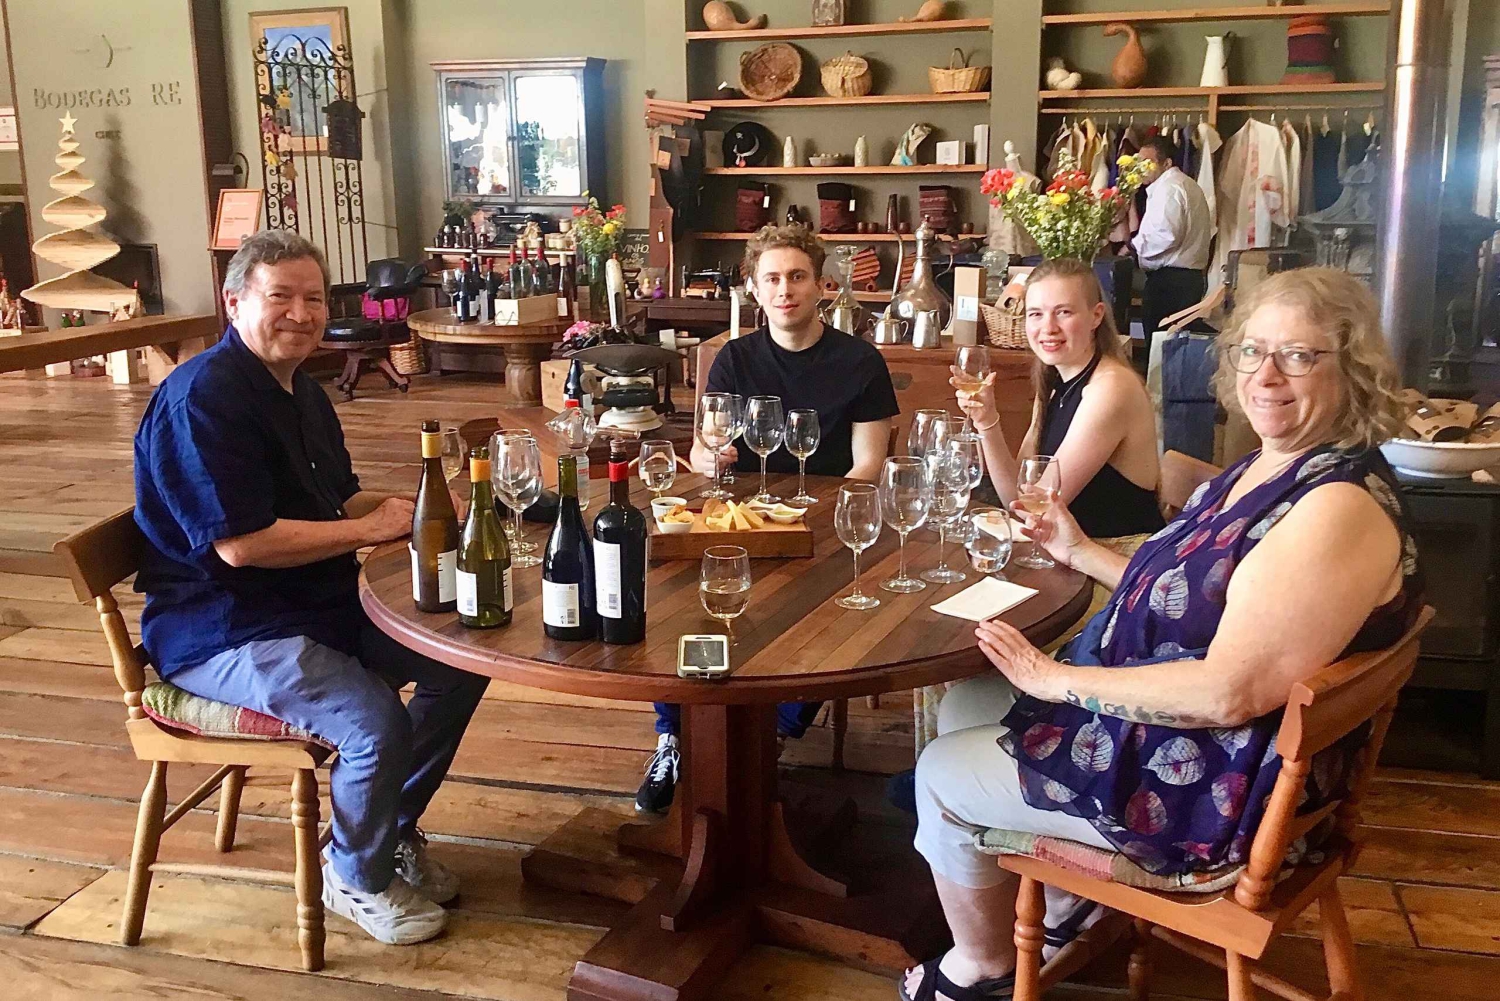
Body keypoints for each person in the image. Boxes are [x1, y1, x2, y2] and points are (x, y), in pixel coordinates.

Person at [899, 268, 1423, 1001]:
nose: (1267, 375)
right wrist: (1081, 550)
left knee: (939, 772)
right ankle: (1063, 909)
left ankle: (982, 966)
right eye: (1253, 351)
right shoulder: (1276, 466)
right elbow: (1187, 595)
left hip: (1211, 789)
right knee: (963, 705)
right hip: (1195, 744)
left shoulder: (1336, 509)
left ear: (1353, 370)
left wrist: (1057, 679)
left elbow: (1228, 691)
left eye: (1299, 356)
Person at [133, 230, 490, 947]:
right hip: (223, 628)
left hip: (311, 603)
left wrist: (421, 507)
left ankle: (388, 830)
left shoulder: (301, 389)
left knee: (461, 663)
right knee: (374, 724)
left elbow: (341, 500)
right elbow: (242, 545)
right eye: (281, 296)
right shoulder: (203, 398)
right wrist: (368, 530)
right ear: (234, 302)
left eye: (315, 298)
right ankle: (355, 876)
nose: (301, 313)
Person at [636, 223, 900, 816]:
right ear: (755, 289)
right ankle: (673, 735)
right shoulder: (735, 359)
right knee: (676, 597)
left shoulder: (860, 361)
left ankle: (768, 735)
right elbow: (706, 446)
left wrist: (815, 515)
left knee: (827, 616)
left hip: (824, 522)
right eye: (772, 279)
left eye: (797, 277)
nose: (785, 290)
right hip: (739, 517)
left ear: (822, 286)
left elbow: (868, 465)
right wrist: (709, 456)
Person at [957, 257, 1164, 540]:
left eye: (1063, 312)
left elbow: (1039, 513)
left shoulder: (1111, 388)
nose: (1048, 327)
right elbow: (1018, 500)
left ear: (1096, 316)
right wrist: (986, 421)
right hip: (1066, 552)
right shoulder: (1054, 381)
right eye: (1035, 314)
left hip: (1119, 556)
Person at [1131, 135, 1213, 371]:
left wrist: (1136, 244)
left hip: (1171, 282)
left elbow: (1166, 235)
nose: (1141, 168)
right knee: (1173, 348)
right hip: (1184, 278)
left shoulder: (1170, 188)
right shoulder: (1183, 184)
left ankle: (1159, 393)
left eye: (1147, 162)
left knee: (1161, 348)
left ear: (1166, 163)